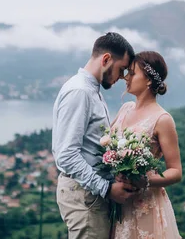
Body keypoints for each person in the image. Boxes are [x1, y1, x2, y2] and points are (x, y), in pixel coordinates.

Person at [52, 32, 138, 238]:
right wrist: (107, 189)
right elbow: (66, 155)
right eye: (121, 69)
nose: (122, 77)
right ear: (106, 59)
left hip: (90, 195)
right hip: (85, 197)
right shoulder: (80, 92)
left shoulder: (92, 91)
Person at [110, 51, 182, 239]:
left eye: (132, 73)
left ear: (149, 80)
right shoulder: (124, 109)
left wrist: (146, 180)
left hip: (145, 205)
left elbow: (175, 170)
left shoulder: (162, 119)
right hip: (118, 203)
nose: (126, 78)